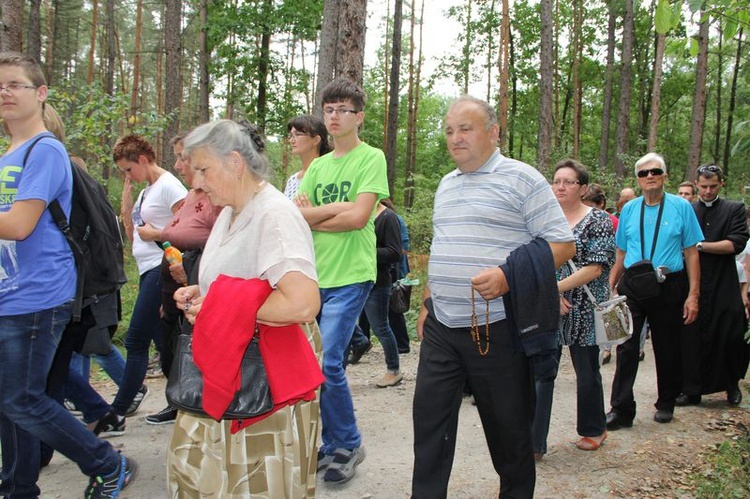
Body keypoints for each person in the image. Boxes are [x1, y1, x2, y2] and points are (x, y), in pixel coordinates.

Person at [412, 95, 575, 498]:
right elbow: (444, 245)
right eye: (450, 131)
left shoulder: (523, 179)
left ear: (493, 132)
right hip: (442, 327)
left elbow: (563, 243)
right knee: (429, 425)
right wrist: (427, 301)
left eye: (465, 129)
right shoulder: (446, 185)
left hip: (497, 328)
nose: (455, 138)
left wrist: (507, 276)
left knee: (509, 433)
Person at [0, 50, 136, 498]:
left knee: (22, 398)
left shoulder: (45, 150)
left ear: (40, 94)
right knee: (12, 401)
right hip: (11, 294)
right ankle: (18, 486)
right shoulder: (10, 154)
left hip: (38, 295)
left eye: (15, 84)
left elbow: (19, 225)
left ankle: (108, 464)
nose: (4, 91)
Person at [168, 119, 323, 497]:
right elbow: (242, 279)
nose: (197, 182)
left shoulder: (274, 214)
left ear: (235, 163)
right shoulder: (231, 211)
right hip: (231, 359)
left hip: (264, 374)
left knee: (255, 481)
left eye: (204, 169)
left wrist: (218, 305)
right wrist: (201, 293)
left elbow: (303, 303)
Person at [294, 77, 389, 484]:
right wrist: (332, 210)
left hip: (352, 275)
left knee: (326, 360)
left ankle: (347, 444)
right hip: (315, 277)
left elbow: (359, 218)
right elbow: (297, 215)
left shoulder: (371, 157)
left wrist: (317, 213)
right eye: (328, 109)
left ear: (358, 117)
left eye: (342, 110)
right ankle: (331, 441)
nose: (333, 116)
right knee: (310, 363)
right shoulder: (316, 165)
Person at [606, 153, 703, 429]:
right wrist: (610, 286)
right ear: (637, 179)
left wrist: (692, 295)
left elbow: (691, 253)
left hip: (667, 283)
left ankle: (666, 402)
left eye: (655, 171)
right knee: (626, 345)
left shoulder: (681, 207)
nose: (650, 176)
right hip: (633, 284)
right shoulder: (629, 209)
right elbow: (622, 252)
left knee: (667, 345)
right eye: (644, 172)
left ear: (665, 176)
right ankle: (621, 409)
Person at [533, 161, 615, 460]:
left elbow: (596, 267)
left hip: (586, 304)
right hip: (549, 305)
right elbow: (534, 260)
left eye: (568, 182)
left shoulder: (599, 220)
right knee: (542, 372)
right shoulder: (544, 220)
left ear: (582, 188)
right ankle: (534, 442)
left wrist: (556, 288)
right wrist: (549, 293)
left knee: (586, 369)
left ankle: (594, 429)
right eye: (556, 181)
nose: (560, 187)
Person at [145, 132, 222, 425]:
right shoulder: (192, 195)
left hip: (199, 269)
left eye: (182, 157)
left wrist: (158, 235)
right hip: (182, 275)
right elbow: (177, 231)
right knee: (175, 342)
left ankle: (196, 405)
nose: (177, 165)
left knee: (194, 343)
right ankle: (182, 401)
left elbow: (207, 236)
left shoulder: (216, 196)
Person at [113, 135, 187, 418]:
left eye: (128, 169)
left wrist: (158, 235)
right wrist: (125, 208)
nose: (127, 176)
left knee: (135, 340)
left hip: (162, 268)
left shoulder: (169, 185)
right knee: (165, 342)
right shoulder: (147, 190)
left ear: (142, 160)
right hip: (146, 269)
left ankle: (117, 412)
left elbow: (185, 230)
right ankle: (179, 401)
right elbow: (135, 236)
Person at [677, 165, 748, 407]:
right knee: (691, 336)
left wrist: (698, 247)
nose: (707, 191)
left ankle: (731, 385)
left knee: (729, 335)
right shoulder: (687, 210)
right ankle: (692, 389)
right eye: (703, 186)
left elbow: (735, 244)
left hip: (723, 281)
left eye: (713, 186)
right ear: (696, 184)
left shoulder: (734, 209)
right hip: (691, 280)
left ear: (721, 184)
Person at [348, 199, 404, 386]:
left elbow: (395, 253)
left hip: (377, 283)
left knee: (380, 326)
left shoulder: (388, 217)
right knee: (344, 322)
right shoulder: (356, 216)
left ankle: (393, 370)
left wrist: (365, 250)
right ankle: (337, 370)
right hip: (352, 278)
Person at [284, 114, 332, 200]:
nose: (291, 140)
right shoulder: (292, 180)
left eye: (298, 134)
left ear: (316, 140)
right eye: (291, 135)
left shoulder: (329, 174)